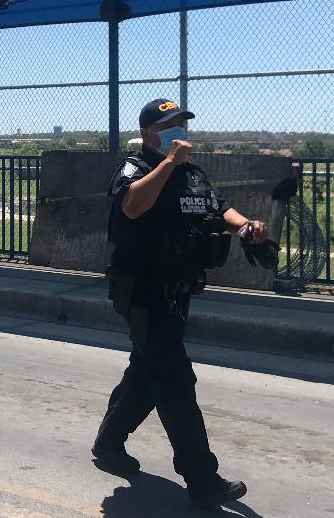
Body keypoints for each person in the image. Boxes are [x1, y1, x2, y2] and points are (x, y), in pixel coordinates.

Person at [93, 99, 270, 509]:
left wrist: (246, 226)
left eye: (181, 123)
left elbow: (218, 207)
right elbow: (133, 206)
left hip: (178, 290)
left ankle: (108, 442)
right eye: (169, 124)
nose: (179, 130)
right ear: (148, 133)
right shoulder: (135, 168)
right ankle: (202, 480)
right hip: (144, 291)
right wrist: (169, 162)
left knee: (147, 372)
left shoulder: (193, 175)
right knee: (174, 380)